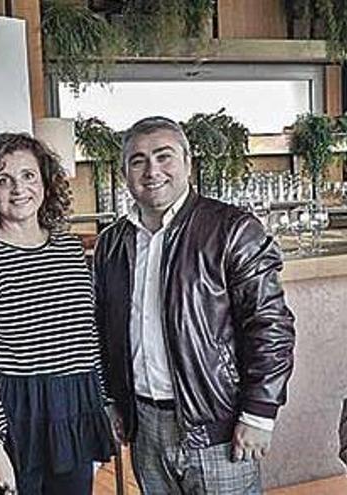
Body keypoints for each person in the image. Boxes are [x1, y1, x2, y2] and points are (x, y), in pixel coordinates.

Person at [94, 116, 296, 494]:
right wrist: (111, 400)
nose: (152, 170)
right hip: (145, 425)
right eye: (138, 160)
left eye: (163, 156)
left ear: (187, 162)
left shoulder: (232, 229)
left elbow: (270, 325)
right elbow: (102, 331)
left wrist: (259, 412)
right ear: (125, 173)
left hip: (218, 425)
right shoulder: (111, 243)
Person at [0, 132, 113, 495]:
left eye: (28, 176)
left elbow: (89, 337)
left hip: (75, 404)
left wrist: (102, 404)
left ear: (45, 183)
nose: (18, 189)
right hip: (18, 415)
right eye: (3, 179)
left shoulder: (70, 250)